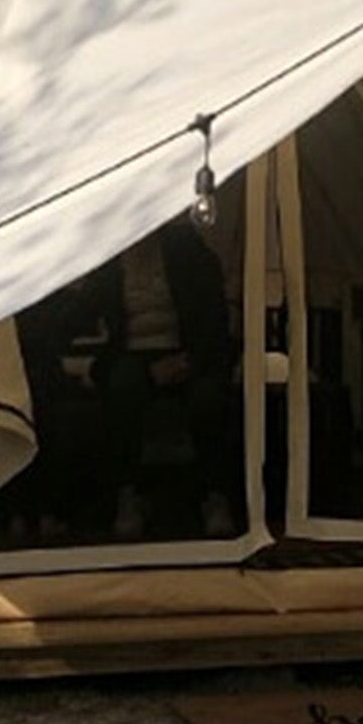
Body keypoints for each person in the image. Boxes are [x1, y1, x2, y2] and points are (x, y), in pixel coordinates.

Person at [93, 217, 238, 539]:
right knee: (122, 387)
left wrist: (191, 358)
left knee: (209, 397)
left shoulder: (186, 249)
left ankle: (214, 495)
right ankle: (129, 494)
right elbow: (88, 310)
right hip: (133, 354)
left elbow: (214, 314)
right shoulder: (111, 258)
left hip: (189, 349)